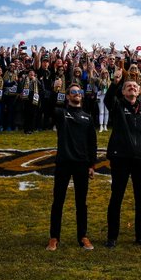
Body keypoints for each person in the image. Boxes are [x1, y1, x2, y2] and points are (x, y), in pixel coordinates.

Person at [104, 66, 141, 248]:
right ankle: (112, 236)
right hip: (120, 158)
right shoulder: (118, 105)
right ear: (123, 91)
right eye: (128, 87)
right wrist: (115, 82)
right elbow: (108, 99)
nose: (132, 89)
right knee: (116, 197)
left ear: (140, 90)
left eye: (135, 87)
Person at [46, 83, 97, 251]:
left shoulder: (87, 117)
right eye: (73, 92)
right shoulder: (61, 114)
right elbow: (48, 107)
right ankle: (54, 237)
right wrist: (55, 91)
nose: (77, 94)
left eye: (79, 91)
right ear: (68, 96)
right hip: (64, 163)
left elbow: (92, 143)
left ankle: (82, 237)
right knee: (58, 201)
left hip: (82, 164)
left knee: (81, 203)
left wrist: (92, 165)